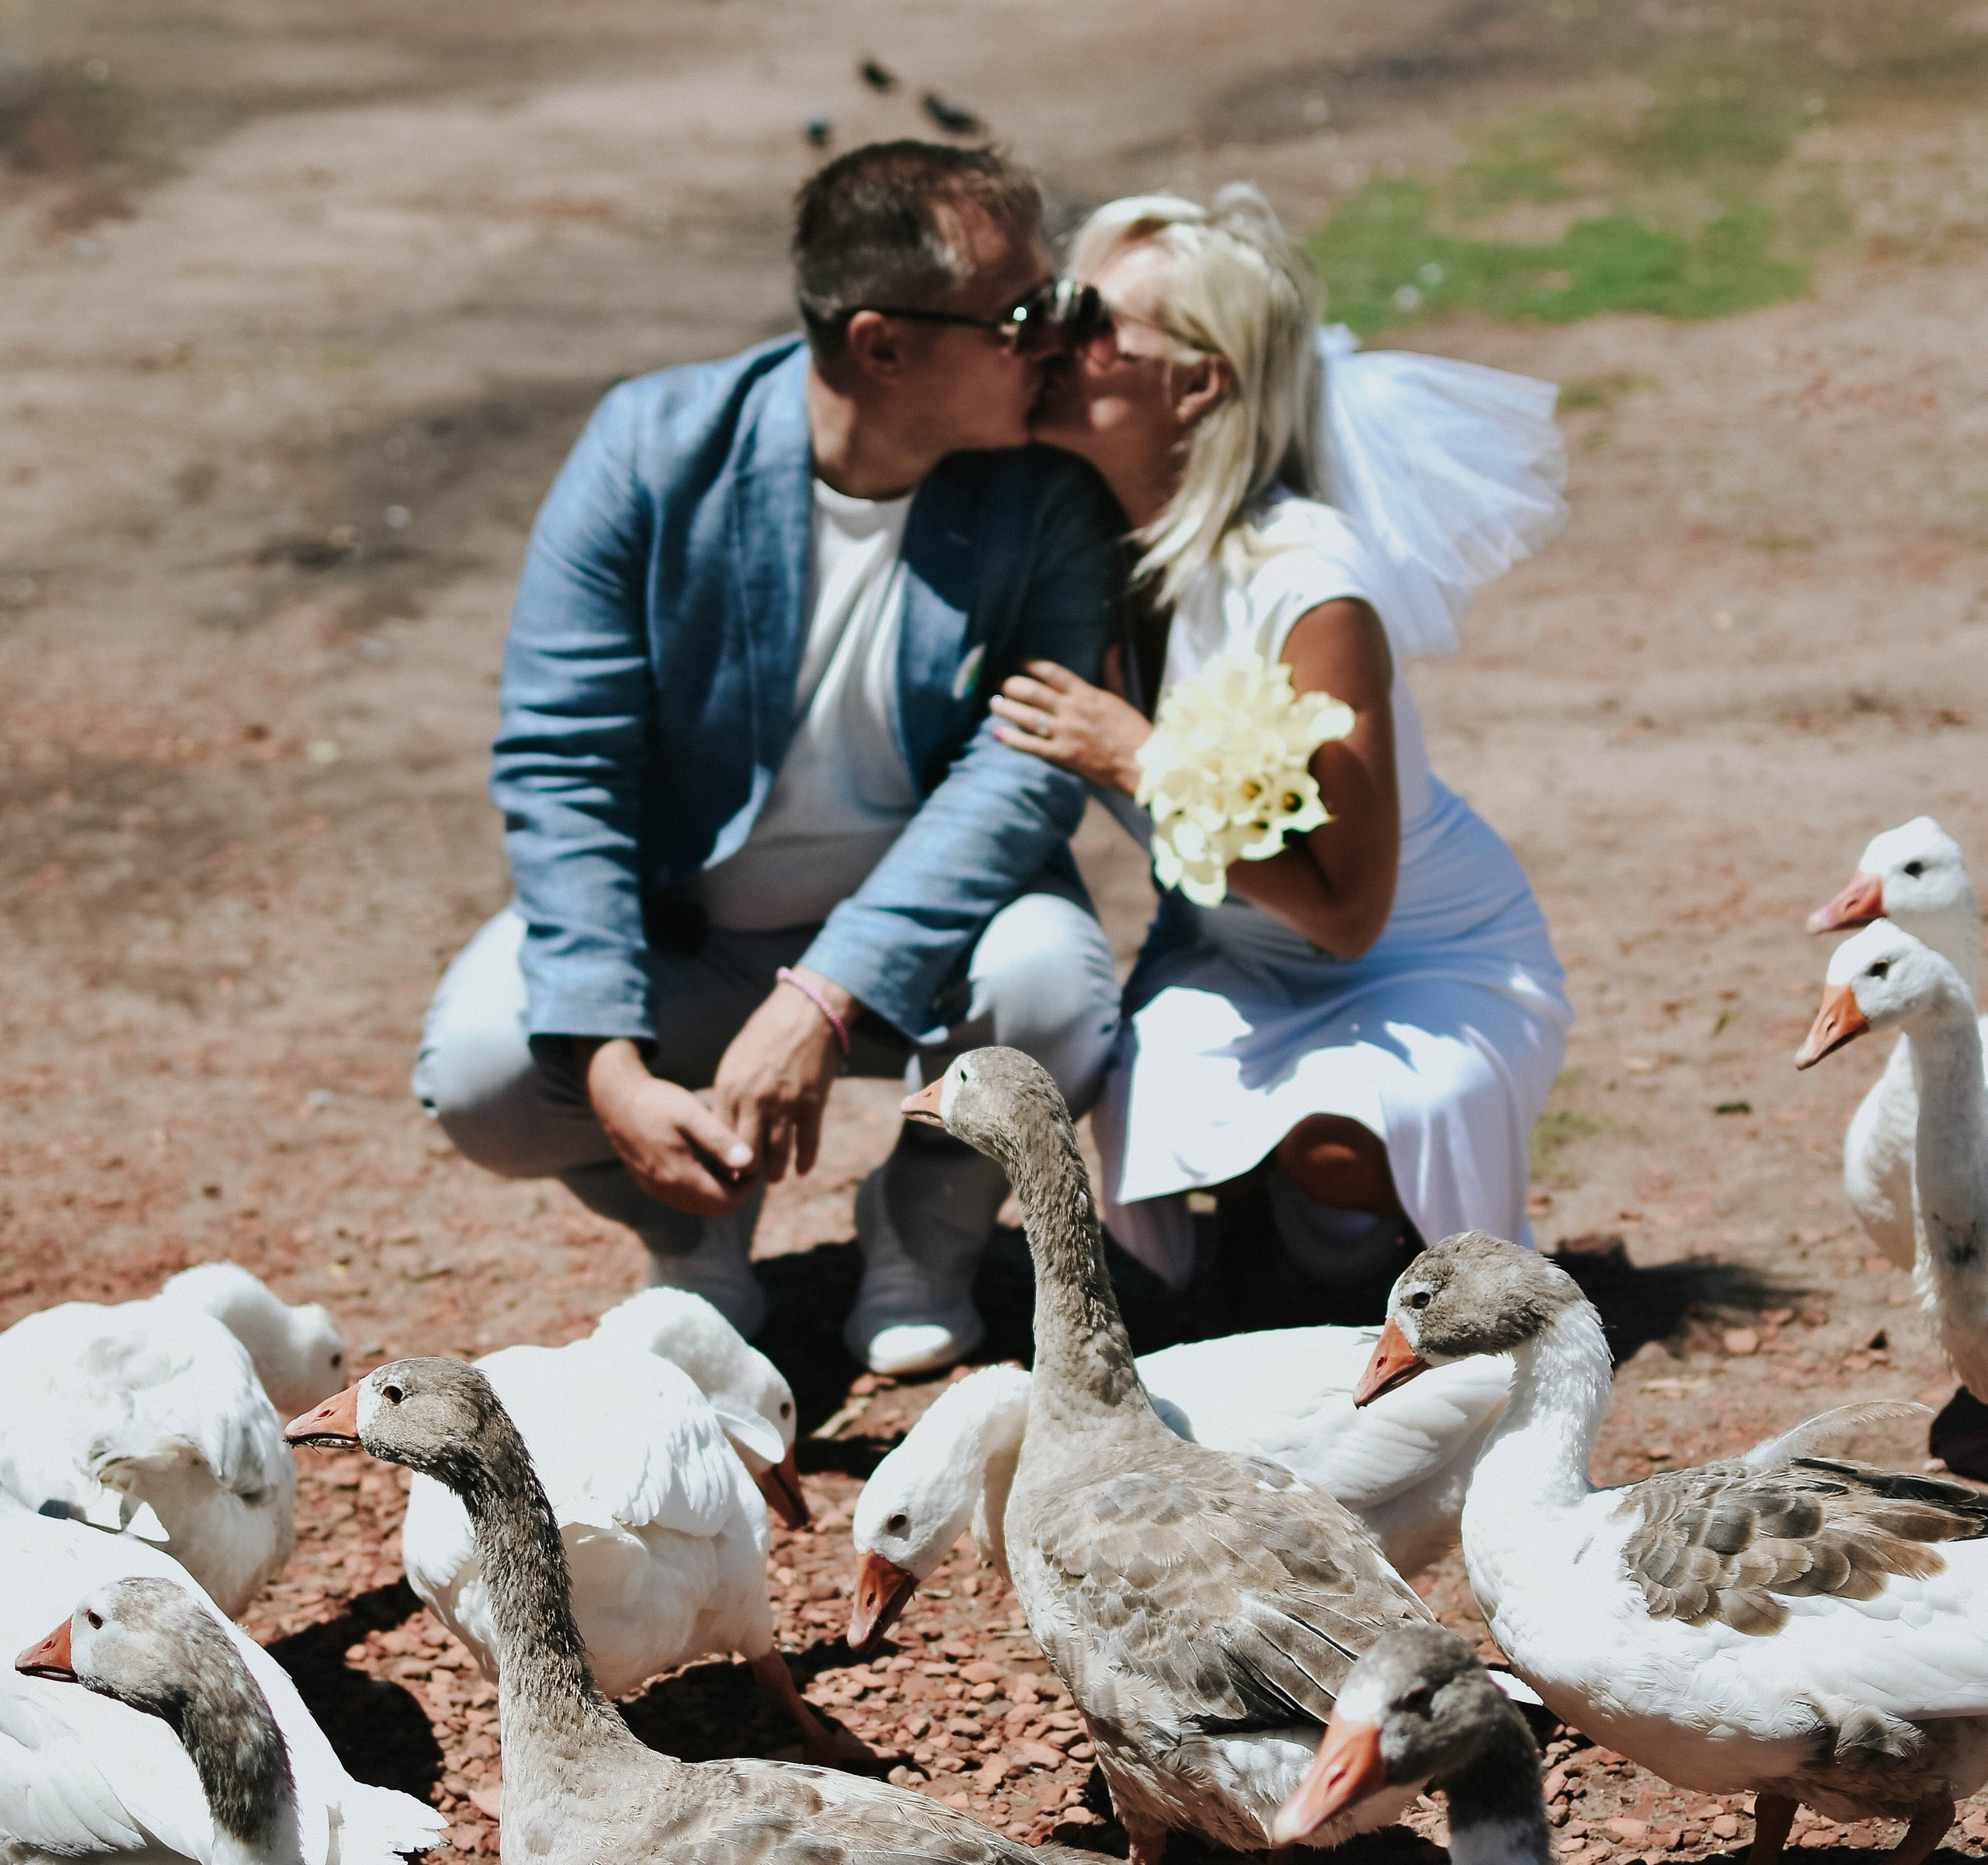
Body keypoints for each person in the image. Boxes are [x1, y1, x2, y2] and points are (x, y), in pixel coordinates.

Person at [415, 141, 1127, 1374]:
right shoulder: (650, 448)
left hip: (928, 936)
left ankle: (926, 1223)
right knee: (482, 1073)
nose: (1054, 341)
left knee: (1055, 999)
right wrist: (612, 1067)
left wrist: (829, 986)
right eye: (1021, 317)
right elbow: (561, 760)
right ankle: (693, 1215)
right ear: (881, 344)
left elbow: (1025, 771)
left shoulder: (1045, 495)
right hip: (692, 936)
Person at [987, 183, 1571, 1307]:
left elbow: (1351, 913)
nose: (1058, 344)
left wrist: (1139, 760)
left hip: (1421, 964)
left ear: (1199, 380)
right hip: (1237, 955)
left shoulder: (1309, 590)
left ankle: (1357, 1266)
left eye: (1096, 323)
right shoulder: (1097, 546)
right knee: (1158, 1087)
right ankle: (1275, 1239)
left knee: (1346, 1142)